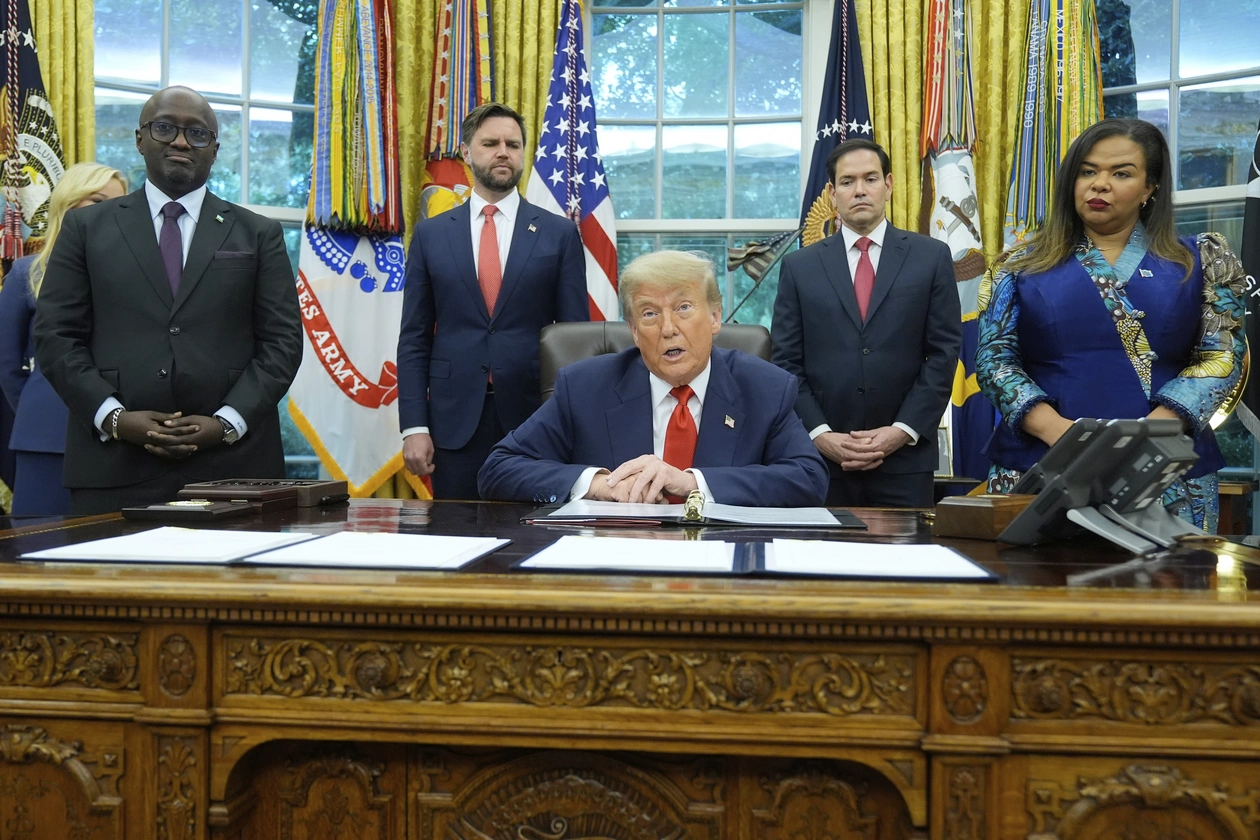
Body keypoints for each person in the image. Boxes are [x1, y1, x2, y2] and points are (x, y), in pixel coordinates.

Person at [33, 85, 303, 515]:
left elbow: (283, 344)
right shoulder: (85, 229)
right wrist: (116, 419)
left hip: (234, 468)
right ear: (140, 139)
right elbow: (55, 336)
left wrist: (227, 423)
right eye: (165, 128)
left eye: (197, 134)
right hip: (113, 468)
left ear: (215, 151)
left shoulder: (259, 233)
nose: (180, 141)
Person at [976, 118, 1245, 532]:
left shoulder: (1202, 260)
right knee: (1036, 590)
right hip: (1040, 463)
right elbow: (995, 361)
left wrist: (1148, 435)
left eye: (1121, 173)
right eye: (1088, 171)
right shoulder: (1018, 266)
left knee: (1169, 592)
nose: (1099, 184)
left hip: (1167, 470)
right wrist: (1064, 435)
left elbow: (1224, 357)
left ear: (1150, 188)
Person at [478, 250, 828, 506]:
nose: (668, 328)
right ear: (632, 330)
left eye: (684, 307)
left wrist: (692, 482)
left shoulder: (765, 387)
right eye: (649, 314)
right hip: (619, 572)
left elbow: (809, 479)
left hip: (723, 569)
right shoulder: (585, 387)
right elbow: (498, 469)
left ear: (715, 318)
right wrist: (599, 484)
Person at [397, 102, 588, 499]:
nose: (503, 151)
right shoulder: (431, 235)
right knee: (454, 540)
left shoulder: (558, 234)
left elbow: (575, 342)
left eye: (513, 144)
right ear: (466, 152)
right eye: (490, 143)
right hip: (452, 424)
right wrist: (414, 426)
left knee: (531, 543)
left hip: (536, 420)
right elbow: (414, 337)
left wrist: (573, 423)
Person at [771, 139, 962, 508]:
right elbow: (785, 363)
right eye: (847, 181)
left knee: (903, 565)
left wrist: (900, 432)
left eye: (870, 178)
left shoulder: (931, 257)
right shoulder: (800, 267)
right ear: (832, 192)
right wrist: (820, 434)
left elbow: (943, 353)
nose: (859, 190)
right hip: (821, 463)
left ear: (888, 185)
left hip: (905, 461)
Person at [0, 164, 127, 514]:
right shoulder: (27, 274)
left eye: (120, 204)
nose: (110, 212)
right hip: (45, 438)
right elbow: (7, 368)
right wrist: (38, 410)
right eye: (98, 200)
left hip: (119, 441)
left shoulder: (133, 279)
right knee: (37, 551)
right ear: (69, 204)